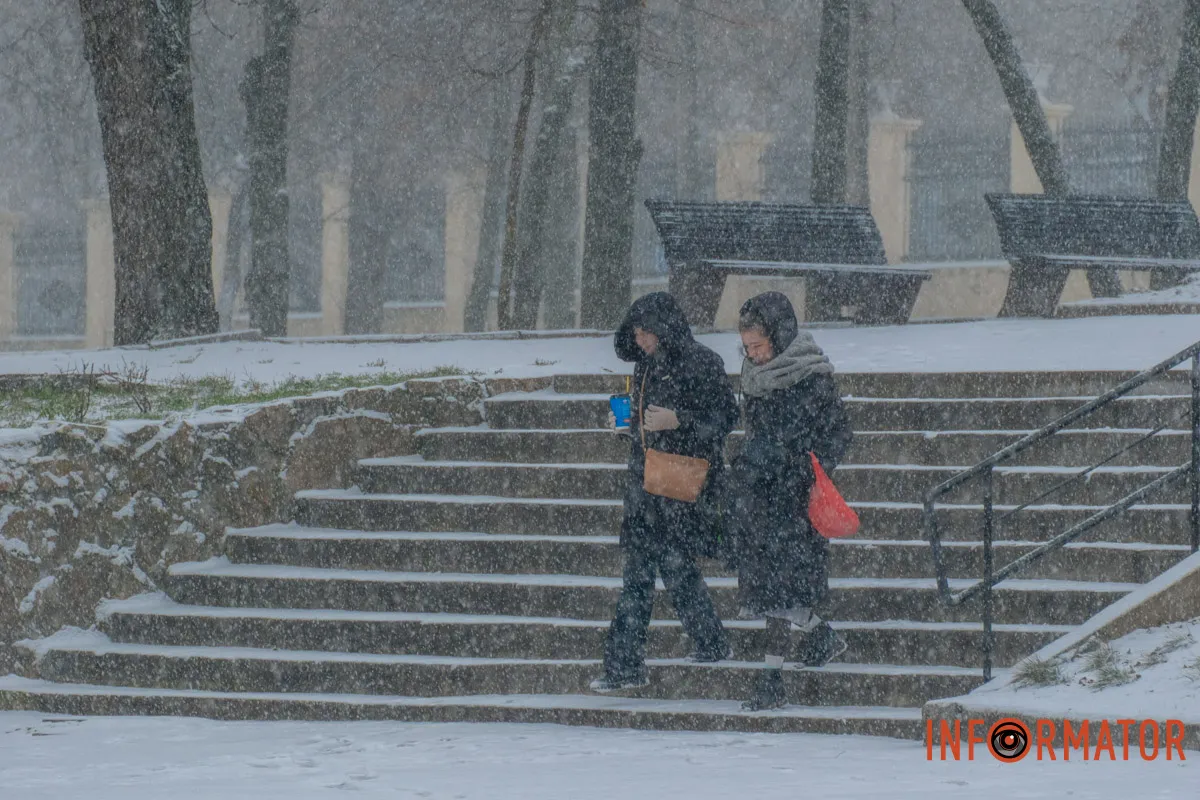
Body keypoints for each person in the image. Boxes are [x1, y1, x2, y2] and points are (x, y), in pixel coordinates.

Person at [589, 292, 739, 692]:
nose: (641, 341)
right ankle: (635, 662)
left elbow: (725, 417)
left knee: (672, 569)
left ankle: (698, 645)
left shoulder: (702, 362)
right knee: (649, 574)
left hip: (679, 485)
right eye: (636, 334)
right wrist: (630, 426)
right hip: (644, 485)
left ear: (665, 328)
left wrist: (680, 421)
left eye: (647, 333)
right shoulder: (644, 367)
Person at [727, 291, 853, 711]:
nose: (754, 355)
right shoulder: (756, 380)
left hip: (795, 501)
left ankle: (771, 679)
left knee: (778, 593)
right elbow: (760, 436)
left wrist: (806, 466)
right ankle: (821, 636)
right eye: (747, 348)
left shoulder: (811, 377)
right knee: (773, 590)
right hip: (761, 499)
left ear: (779, 338)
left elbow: (838, 435)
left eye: (759, 346)